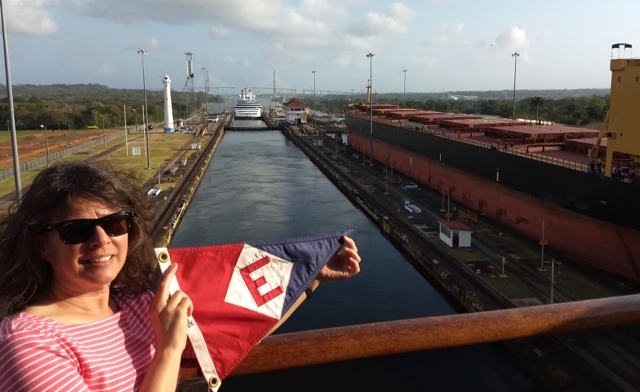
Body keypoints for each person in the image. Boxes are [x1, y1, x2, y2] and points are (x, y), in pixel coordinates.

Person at [0, 160, 361, 391]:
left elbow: (240, 314)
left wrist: (310, 277)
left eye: (115, 223)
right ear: (41, 246)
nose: (102, 240)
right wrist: (169, 348)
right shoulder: (31, 343)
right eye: (76, 230)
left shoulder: (138, 305)